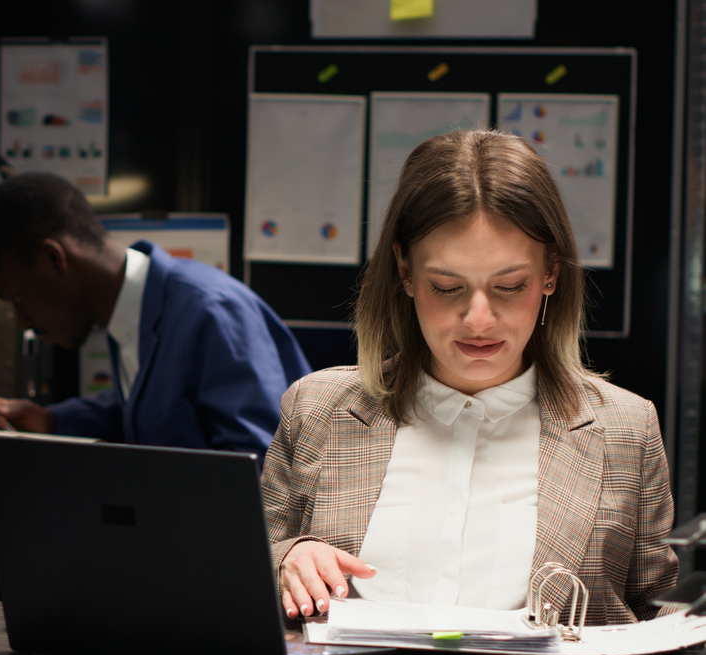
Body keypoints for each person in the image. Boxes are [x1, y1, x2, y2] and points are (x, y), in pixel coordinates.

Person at [265, 129, 677, 626]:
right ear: (405, 271)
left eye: (509, 286)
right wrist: (287, 558)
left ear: (551, 273)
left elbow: (660, 620)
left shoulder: (626, 432)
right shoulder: (317, 410)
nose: (478, 319)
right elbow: (240, 569)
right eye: (447, 287)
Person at [0, 172, 311, 457]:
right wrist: (50, 421)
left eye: (18, 299)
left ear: (53, 259)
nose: (22, 322)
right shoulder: (136, 309)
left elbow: (262, 469)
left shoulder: (211, 311)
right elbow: (154, 412)